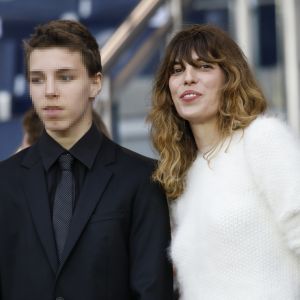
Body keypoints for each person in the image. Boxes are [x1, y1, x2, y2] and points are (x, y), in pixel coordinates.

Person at [0, 19, 173, 300]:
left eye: (65, 77)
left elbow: (152, 291)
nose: (49, 91)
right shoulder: (4, 182)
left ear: (95, 84)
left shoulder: (141, 179)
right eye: (37, 79)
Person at [148, 23, 300, 299]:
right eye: (177, 70)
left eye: (204, 66)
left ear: (230, 78)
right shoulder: (185, 174)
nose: (188, 78)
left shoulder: (262, 138)